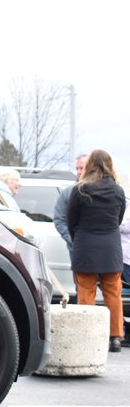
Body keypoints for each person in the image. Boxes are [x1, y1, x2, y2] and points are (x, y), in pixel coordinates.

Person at [66, 149, 125, 352]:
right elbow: (118, 219)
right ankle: (115, 337)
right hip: (110, 247)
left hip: (85, 245)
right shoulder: (118, 191)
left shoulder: (80, 189)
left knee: (86, 291)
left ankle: (87, 335)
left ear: (89, 165)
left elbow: (70, 220)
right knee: (113, 292)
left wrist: (79, 240)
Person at [53, 153, 88, 249]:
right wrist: (72, 239)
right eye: (77, 168)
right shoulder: (68, 192)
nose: (79, 172)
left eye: (82, 168)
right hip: (76, 248)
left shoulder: (101, 191)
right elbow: (59, 219)